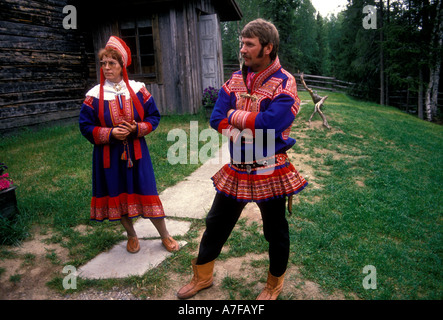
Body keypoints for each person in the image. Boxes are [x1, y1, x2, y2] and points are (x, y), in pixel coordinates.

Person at [177, 19, 307, 300]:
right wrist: (244, 129)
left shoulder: (285, 82)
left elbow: (273, 123)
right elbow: (215, 118)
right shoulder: (234, 81)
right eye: (241, 43)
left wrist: (235, 118)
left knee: (275, 230)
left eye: (249, 44)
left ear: (267, 48)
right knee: (216, 224)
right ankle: (202, 277)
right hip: (237, 168)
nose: (242, 49)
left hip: (270, 168)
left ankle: (274, 284)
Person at [79, 36, 179, 254]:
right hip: (108, 156)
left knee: (147, 191)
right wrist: (110, 132)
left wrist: (137, 128)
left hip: (137, 153)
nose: (106, 68)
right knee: (117, 194)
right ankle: (132, 235)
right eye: (103, 63)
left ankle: (164, 234)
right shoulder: (93, 96)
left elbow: (154, 117)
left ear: (122, 65)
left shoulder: (139, 90)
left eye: (111, 63)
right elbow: (85, 126)